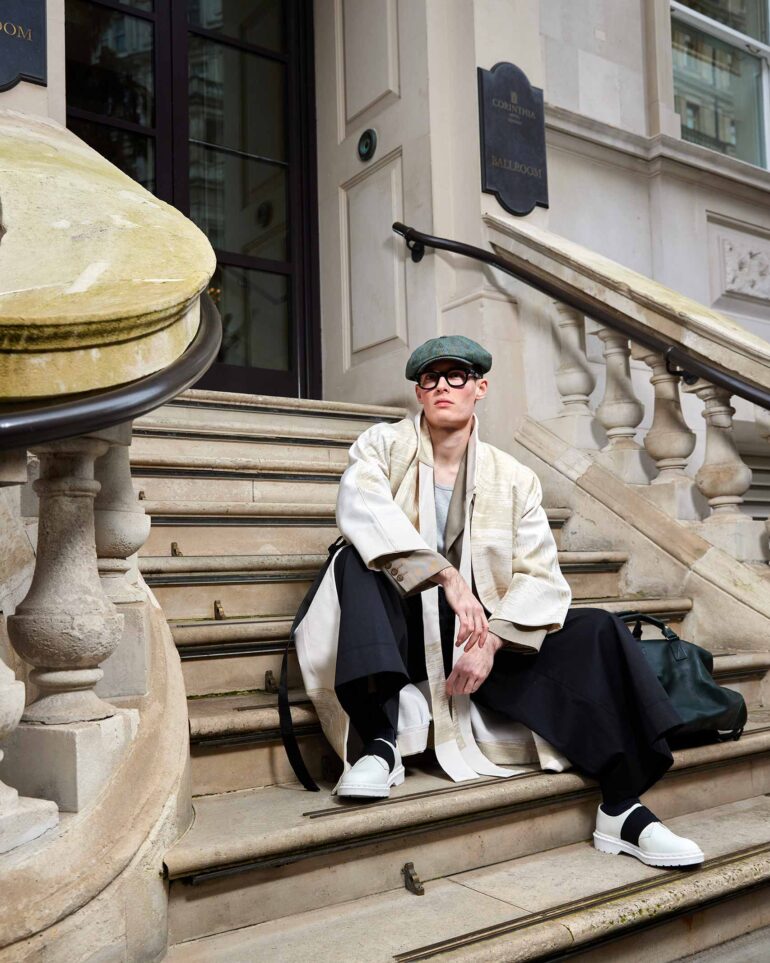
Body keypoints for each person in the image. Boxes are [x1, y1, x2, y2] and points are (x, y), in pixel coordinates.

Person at [292, 335, 704, 869]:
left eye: (456, 375)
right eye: (430, 378)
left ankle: (622, 806)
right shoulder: (381, 446)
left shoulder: (515, 478)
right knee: (355, 561)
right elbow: (360, 503)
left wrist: (492, 639)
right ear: (419, 393)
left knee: (599, 628)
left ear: (480, 387)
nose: (442, 386)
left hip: (476, 638)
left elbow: (542, 576)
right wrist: (444, 576)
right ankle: (379, 743)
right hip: (399, 634)